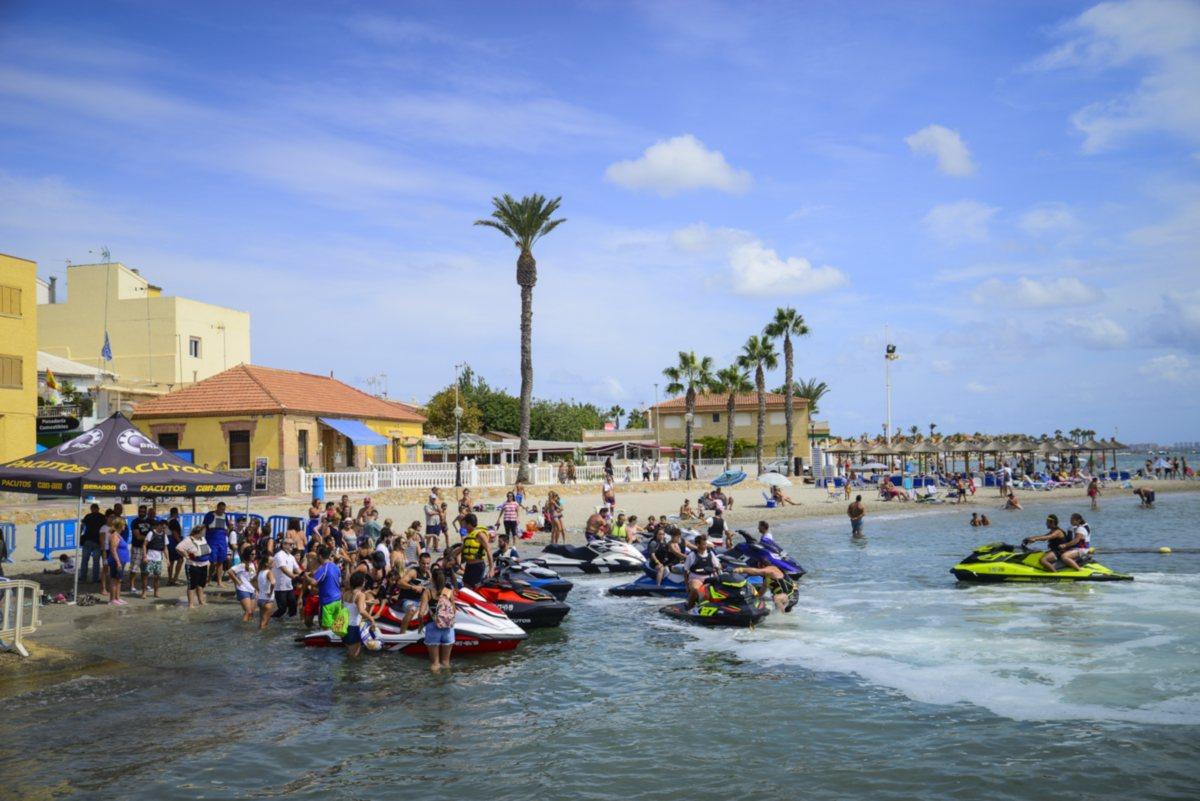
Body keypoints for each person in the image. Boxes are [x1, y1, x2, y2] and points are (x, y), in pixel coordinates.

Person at [421, 568, 457, 672]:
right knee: (446, 663)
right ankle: (448, 680)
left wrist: (420, 624)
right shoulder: (449, 592)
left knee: (435, 664)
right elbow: (454, 611)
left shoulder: (427, 592)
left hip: (433, 627)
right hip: (448, 628)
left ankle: (435, 681)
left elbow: (421, 613)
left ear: (432, 579)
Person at [343, 572, 377, 659]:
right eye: (364, 580)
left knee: (350, 653)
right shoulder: (361, 595)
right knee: (353, 657)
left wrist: (365, 602)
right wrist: (371, 619)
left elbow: (350, 606)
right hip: (354, 627)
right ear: (361, 582)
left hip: (344, 626)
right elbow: (361, 611)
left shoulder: (345, 593)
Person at [175, 524, 211, 608]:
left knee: (201, 584)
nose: (205, 532)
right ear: (199, 531)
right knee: (192, 585)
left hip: (204, 565)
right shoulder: (188, 539)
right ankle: (191, 604)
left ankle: (201, 601)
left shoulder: (203, 539)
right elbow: (178, 547)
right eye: (204, 531)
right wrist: (186, 555)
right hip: (192, 565)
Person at [396, 551, 433, 632]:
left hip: (419, 601)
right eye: (423, 563)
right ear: (419, 562)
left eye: (427, 563)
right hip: (406, 599)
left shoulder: (429, 574)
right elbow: (399, 583)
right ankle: (401, 634)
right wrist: (412, 587)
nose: (425, 566)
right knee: (412, 610)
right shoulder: (413, 572)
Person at [683, 533, 721, 609]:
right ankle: (689, 606)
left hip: (709, 578)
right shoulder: (692, 555)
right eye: (703, 544)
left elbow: (717, 567)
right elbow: (686, 571)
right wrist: (687, 586)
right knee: (695, 590)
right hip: (696, 579)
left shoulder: (710, 553)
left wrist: (718, 575)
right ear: (697, 545)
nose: (705, 546)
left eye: (706, 544)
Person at [458, 514, 492, 589]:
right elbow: (460, 549)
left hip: (477, 566)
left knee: (475, 588)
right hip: (468, 566)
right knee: (466, 586)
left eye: (465, 524)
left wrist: (491, 569)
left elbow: (489, 550)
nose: (464, 527)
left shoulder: (480, 535)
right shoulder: (469, 535)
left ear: (469, 524)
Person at [203, 502, 232, 587]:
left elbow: (228, 527)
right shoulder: (210, 515)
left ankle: (219, 581)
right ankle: (208, 580)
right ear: (217, 507)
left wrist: (229, 531)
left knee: (221, 561)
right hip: (212, 540)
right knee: (212, 561)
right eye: (221, 509)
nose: (222, 510)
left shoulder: (225, 516)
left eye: (224, 509)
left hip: (222, 540)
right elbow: (204, 527)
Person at [270, 540, 301, 618]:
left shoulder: (291, 557)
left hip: (289, 587)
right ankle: (271, 619)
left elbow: (298, 570)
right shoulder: (279, 555)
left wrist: (305, 576)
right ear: (284, 545)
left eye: (293, 544)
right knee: (282, 609)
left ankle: (289, 623)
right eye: (291, 544)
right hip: (280, 587)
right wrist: (296, 577)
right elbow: (284, 570)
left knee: (293, 607)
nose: (292, 546)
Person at [78, 502, 106, 585]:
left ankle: (83, 577)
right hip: (97, 541)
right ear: (98, 509)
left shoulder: (88, 516)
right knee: (96, 562)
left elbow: (82, 526)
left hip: (87, 540)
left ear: (91, 509)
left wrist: (79, 536)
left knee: (84, 560)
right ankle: (95, 579)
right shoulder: (102, 517)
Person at [229, 546, 258, 622]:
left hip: (252, 590)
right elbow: (230, 571)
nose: (254, 556)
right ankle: (242, 627)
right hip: (243, 589)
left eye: (255, 554)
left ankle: (248, 627)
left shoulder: (252, 564)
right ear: (247, 554)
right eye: (252, 554)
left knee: (251, 613)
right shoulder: (242, 565)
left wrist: (257, 589)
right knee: (248, 612)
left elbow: (252, 579)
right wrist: (237, 581)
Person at [104, 518, 129, 606]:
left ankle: (117, 598)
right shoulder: (114, 535)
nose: (125, 526)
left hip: (121, 561)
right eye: (124, 525)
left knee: (119, 580)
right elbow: (113, 550)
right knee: (114, 580)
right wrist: (118, 562)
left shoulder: (118, 535)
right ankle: (112, 599)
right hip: (116, 561)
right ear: (120, 526)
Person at [143, 517, 169, 598]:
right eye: (163, 527)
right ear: (159, 525)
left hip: (158, 559)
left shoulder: (164, 535)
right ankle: (144, 592)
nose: (164, 529)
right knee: (146, 575)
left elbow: (165, 548)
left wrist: (167, 559)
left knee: (157, 577)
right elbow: (144, 545)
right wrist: (145, 556)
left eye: (165, 528)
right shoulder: (151, 533)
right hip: (150, 558)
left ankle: (156, 592)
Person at [254, 553, 276, 629]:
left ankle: (258, 635)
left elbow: (252, 580)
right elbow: (273, 583)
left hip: (260, 599)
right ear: (267, 564)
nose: (274, 563)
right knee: (264, 624)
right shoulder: (269, 572)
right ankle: (261, 636)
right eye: (272, 561)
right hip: (268, 600)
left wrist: (258, 589)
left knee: (261, 623)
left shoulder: (260, 572)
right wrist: (270, 592)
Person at [166, 508, 184, 585]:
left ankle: (170, 579)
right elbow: (174, 533)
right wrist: (180, 543)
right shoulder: (173, 521)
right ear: (176, 513)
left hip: (170, 541)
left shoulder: (168, 520)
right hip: (174, 541)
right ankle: (174, 579)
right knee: (180, 560)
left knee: (171, 561)